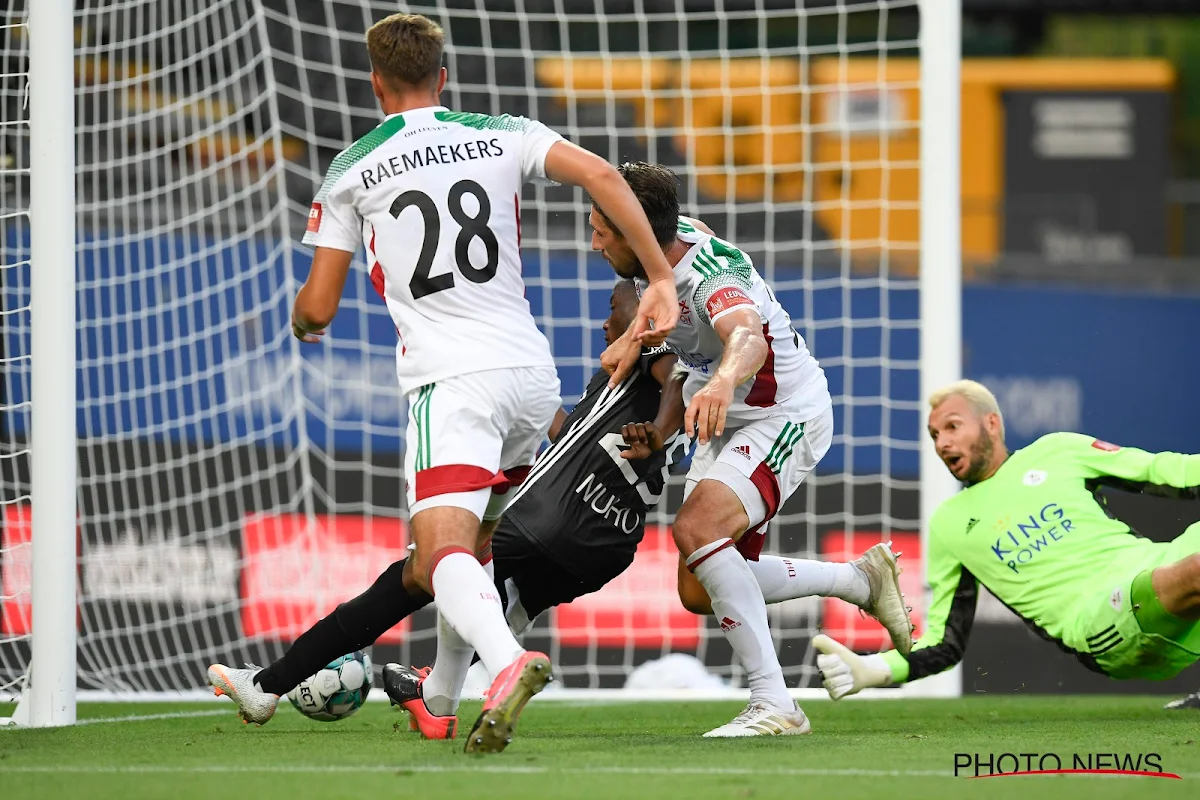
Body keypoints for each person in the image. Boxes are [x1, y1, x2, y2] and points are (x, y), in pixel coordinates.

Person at [206, 13, 680, 755]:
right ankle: (436, 700)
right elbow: (604, 176)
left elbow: (318, 308)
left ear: (374, 82)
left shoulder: (353, 168)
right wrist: (659, 276)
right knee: (462, 553)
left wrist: (302, 325)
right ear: (443, 77)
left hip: (453, 382)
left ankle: (508, 664)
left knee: (443, 548)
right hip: (529, 374)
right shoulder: (500, 131)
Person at [207, 282, 911, 740]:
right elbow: (580, 425)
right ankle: (439, 696)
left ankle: (280, 684)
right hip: (605, 544)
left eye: (616, 305)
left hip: (559, 517)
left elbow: (670, 381)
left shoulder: (654, 351)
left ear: (642, 311)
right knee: (691, 584)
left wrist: (661, 424)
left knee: (427, 571)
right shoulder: (605, 388)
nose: (608, 316)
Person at [594, 162, 914, 737]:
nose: (593, 242)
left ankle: (776, 704)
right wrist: (660, 403)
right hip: (727, 419)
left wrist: (720, 381)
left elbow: (744, 334)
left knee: (695, 531)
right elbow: (684, 357)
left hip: (783, 413)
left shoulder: (714, 275)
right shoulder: (657, 256)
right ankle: (860, 582)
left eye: (601, 230)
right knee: (699, 586)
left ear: (633, 229)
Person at [814, 380, 1200, 706]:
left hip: (1155, 566)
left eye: (952, 427)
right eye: (935, 435)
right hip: (1103, 624)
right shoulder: (950, 524)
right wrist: (874, 668)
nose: (943, 443)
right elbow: (944, 640)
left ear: (992, 424)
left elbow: (1165, 472)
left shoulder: (1058, 451)